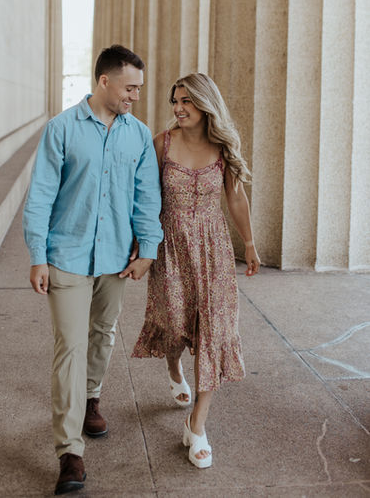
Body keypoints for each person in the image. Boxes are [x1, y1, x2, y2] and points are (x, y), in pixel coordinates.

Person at [23, 44, 163, 494]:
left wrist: (148, 249)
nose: (136, 96)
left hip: (116, 259)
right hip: (66, 254)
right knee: (70, 346)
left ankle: (90, 398)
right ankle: (70, 452)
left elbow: (147, 197)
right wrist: (38, 255)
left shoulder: (138, 135)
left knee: (102, 335)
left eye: (139, 88)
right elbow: (41, 194)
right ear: (104, 81)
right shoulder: (62, 129)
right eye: (130, 87)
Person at [132, 72, 260, 469]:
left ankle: (197, 425)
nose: (178, 108)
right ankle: (173, 364)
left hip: (213, 250)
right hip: (171, 247)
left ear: (205, 104)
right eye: (175, 101)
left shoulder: (222, 147)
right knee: (173, 323)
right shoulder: (161, 143)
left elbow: (235, 198)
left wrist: (249, 243)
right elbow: (144, 198)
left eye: (186, 101)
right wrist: (139, 243)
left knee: (214, 333)